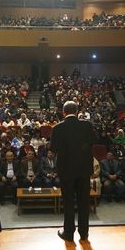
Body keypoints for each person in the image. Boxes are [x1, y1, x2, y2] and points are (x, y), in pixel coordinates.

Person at [52, 101, 96, 242]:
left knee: (69, 201)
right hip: (84, 170)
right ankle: (84, 233)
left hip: (66, 171)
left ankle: (69, 233)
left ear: (63, 112)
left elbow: (53, 149)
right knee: (84, 202)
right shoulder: (87, 126)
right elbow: (94, 141)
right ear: (76, 112)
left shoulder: (57, 128)